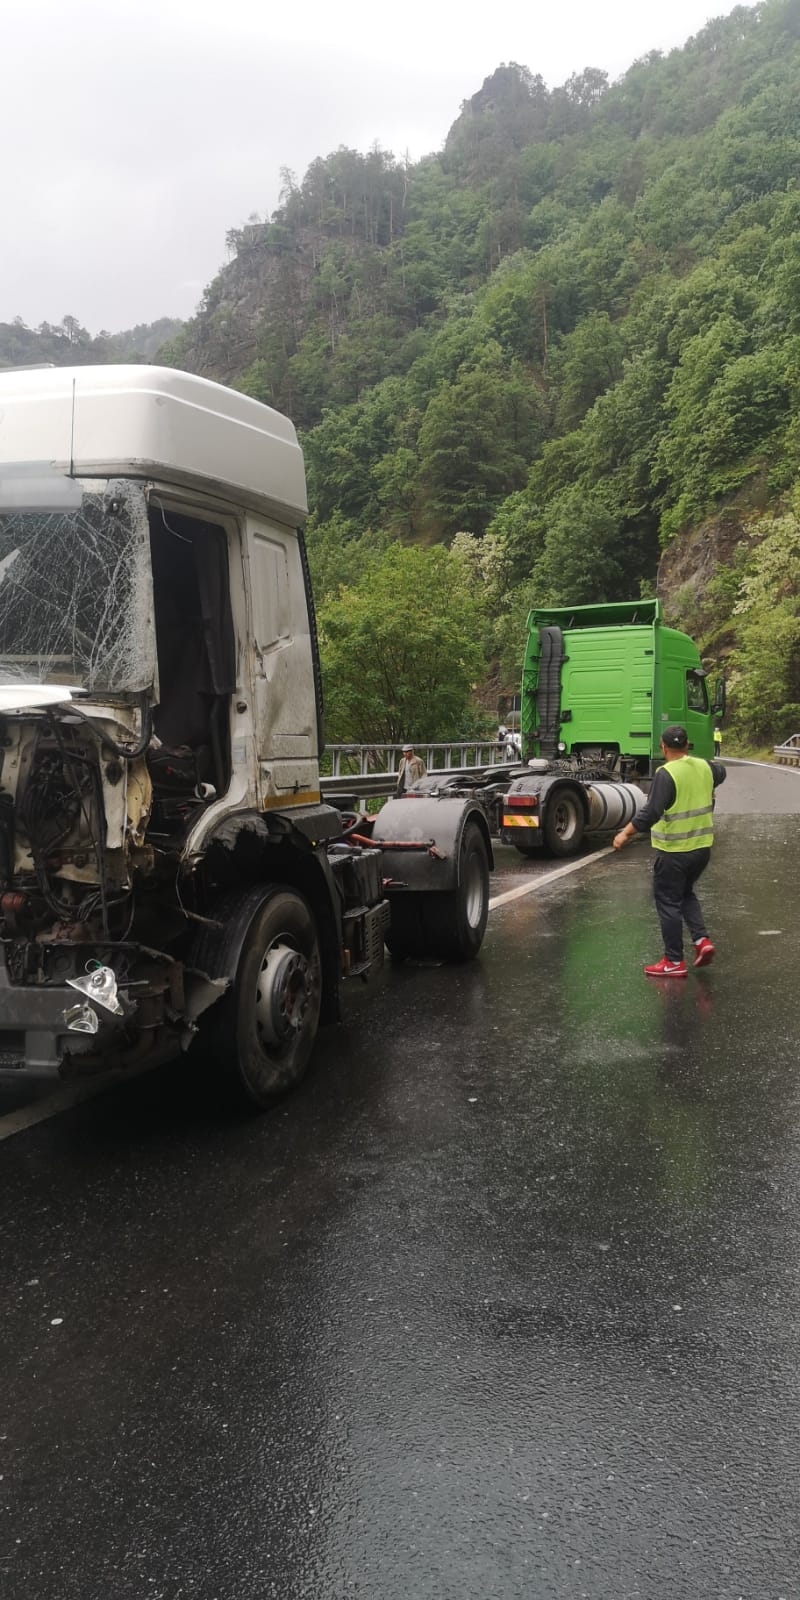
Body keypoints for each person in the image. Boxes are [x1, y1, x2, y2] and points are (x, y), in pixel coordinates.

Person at [612, 724, 726, 978]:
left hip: (675, 851)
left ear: (663, 748)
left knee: (668, 901)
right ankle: (701, 941)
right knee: (685, 893)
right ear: (686, 745)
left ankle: (674, 961)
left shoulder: (666, 774)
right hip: (701, 849)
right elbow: (722, 772)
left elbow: (651, 812)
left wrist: (624, 834)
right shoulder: (705, 767)